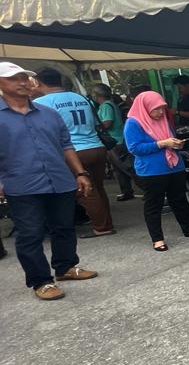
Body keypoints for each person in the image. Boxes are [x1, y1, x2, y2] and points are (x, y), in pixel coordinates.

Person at [0, 62, 98, 300]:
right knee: (30, 233)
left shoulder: (49, 113)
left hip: (58, 179)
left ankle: (65, 267)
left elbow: (66, 145)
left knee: (64, 226)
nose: (22, 82)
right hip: (21, 185)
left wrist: (80, 173)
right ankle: (41, 281)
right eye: (14, 78)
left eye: (24, 77)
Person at [33, 67, 116, 239]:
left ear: (38, 82)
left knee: (86, 191)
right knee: (98, 188)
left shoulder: (42, 103)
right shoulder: (81, 98)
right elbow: (96, 123)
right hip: (96, 146)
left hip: (74, 151)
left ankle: (102, 227)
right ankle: (106, 222)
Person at [123, 91, 189, 251]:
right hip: (151, 170)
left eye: (163, 108)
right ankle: (157, 239)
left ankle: (188, 229)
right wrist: (161, 144)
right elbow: (134, 148)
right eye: (156, 109)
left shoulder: (163, 120)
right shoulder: (133, 123)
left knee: (179, 199)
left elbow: (170, 138)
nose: (161, 112)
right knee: (154, 204)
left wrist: (176, 144)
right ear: (145, 108)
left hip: (174, 165)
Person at [91, 83, 136, 202]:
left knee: (126, 167)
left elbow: (108, 122)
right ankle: (126, 191)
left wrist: (96, 127)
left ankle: (145, 187)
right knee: (119, 169)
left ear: (96, 95)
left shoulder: (106, 106)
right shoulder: (110, 104)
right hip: (116, 140)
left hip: (115, 141)